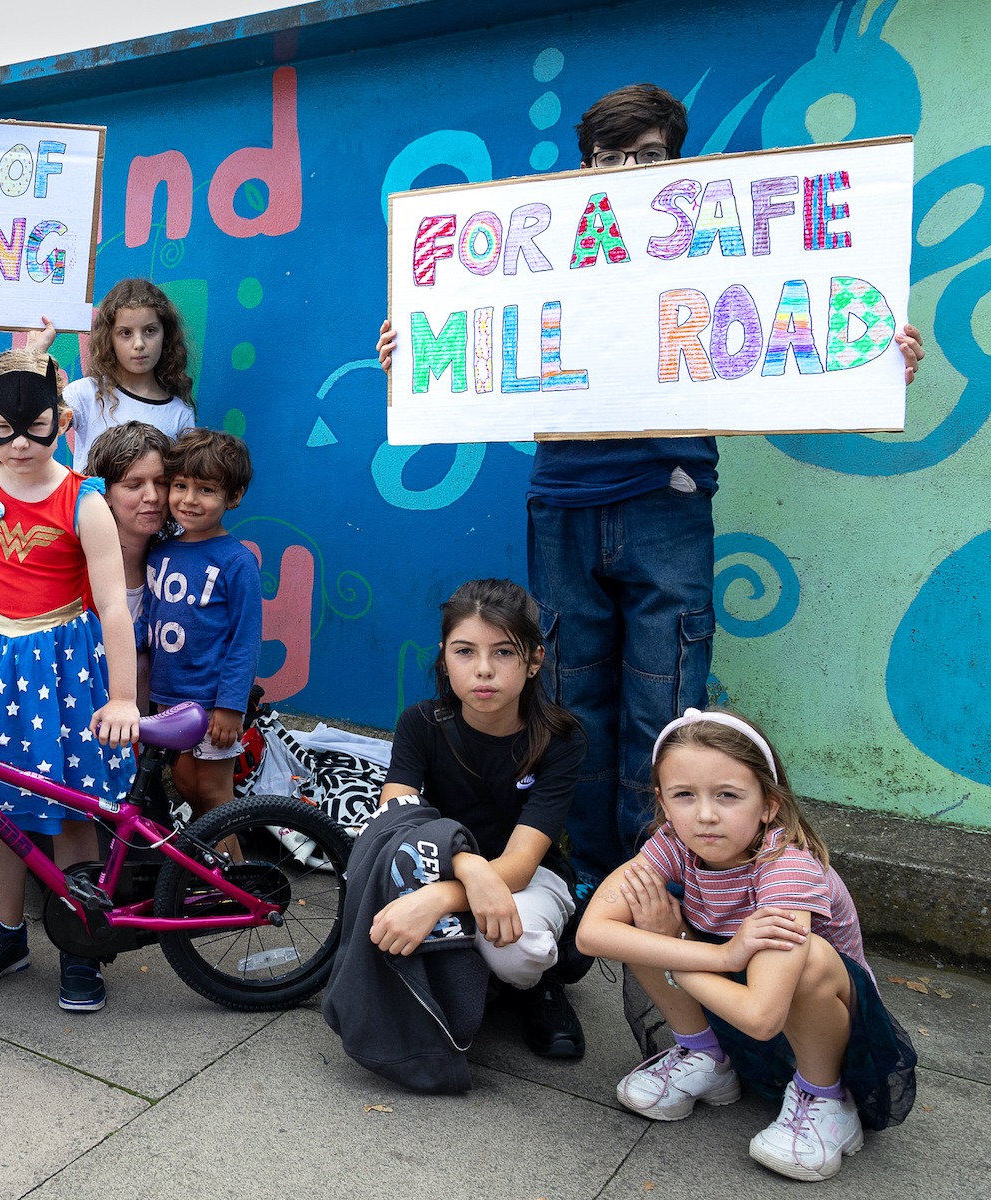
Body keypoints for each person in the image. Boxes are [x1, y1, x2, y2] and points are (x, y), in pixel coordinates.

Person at [377, 83, 926, 893]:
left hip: (668, 498)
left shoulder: (712, 246)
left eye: (650, 156)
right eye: (611, 157)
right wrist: (415, 354)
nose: (630, 170)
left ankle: (658, 878)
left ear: (677, 162)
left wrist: (873, 348)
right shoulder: (553, 246)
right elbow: (477, 331)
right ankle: (593, 876)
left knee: (665, 700)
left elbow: (798, 327)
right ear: (585, 167)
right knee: (568, 698)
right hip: (563, 498)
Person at [577, 709, 916, 1182]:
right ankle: (707, 1057)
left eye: (728, 796)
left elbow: (762, 1017)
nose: (706, 815)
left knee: (811, 958)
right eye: (684, 796)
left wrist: (677, 952)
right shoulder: (675, 842)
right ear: (663, 803)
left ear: (768, 805)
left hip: (818, 1031)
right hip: (730, 1001)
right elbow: (591, 934)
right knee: (642, 913)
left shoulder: (788, 868)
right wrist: (717, 955)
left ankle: (826, 1099)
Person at [0, 347, 141, 1013]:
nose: (18, 443)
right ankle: (6, 930)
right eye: (2, 428)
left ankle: (79, 940)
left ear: (63, 419)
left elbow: (111, 607)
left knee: (73, 807)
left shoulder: (85, 503)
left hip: (64, 671)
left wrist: (125, 696)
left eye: (34, 426)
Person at [365, 579, 590, 1059]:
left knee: (521, 951)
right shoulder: (420, 724)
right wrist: (462, 868)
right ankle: (465, 969)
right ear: (444, 656)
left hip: (525, 879)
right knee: (385, 913)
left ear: (534, 660)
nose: (483, 670)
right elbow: (394, 825)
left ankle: (538, 985)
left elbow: (523, 861)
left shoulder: (560, 740)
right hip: (438, 865)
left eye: (504, 653)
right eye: (465, 651)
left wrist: (440, 899)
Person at [144, 427, 261, 820]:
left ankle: (236, 879)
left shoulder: (237, 561)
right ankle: (204, 871)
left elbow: (244, 641)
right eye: (180, 486)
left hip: (213, 703)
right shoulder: (159, 551)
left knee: (213, 791)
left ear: (234, 496)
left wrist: (231, 707)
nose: (189, 500)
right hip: (168, 697)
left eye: (206, 490)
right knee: (185, 784)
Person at [35, 279, 196, 471]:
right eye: (126, 333)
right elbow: (33, 421)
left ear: (166, 334)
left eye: (150, 330)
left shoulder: (179, 413)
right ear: (109, 338)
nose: (139, 344)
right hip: (90, 501)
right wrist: (34, 353)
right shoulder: (85, 394)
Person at [84, 421, 172, 703]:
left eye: (162, 482)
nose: (153, 496)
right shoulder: (75, 565)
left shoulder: (173, 566)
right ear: (105, 494)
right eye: (134, 485)